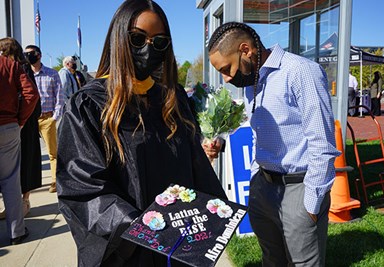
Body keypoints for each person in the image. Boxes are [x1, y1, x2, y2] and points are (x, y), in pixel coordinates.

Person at [56, 1, 226, 266]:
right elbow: (84, 187)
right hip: (130, 247)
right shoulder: (90, 105)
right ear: (119, 38)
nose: (148, 49)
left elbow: (192, 165)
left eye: (158, 42)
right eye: (137, 39)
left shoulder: (172, 98)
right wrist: (145, 228)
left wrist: (212, 210)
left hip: (180, 243)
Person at [208, 22, 340, 266]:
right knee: (271, 260)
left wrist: (310, 207)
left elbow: (323, 145)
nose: (226, 78)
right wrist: (224, 143)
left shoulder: (301, 71)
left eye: (227, 69)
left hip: (299, 189)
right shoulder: (253, 80)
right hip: (263, 188)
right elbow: (258, 128)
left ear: (246, 50)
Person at [0, 51, 39, 244]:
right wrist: (20, 121)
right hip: (7, 126)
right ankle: (16, 231)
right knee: (10, 181)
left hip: (9, 123)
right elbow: (31, 94)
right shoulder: (9, 65)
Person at [24, 45, 64, 193]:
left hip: (47, 118)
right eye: (25, 54)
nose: (28, 56)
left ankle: (54, 180)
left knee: (52, 152)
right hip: (30, 120)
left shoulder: (52, 74)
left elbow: (59, 96)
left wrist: (55, 117)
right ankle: (30, 183)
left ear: (39, 55)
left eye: (30, 54)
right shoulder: (25, 74)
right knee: (30, 153)